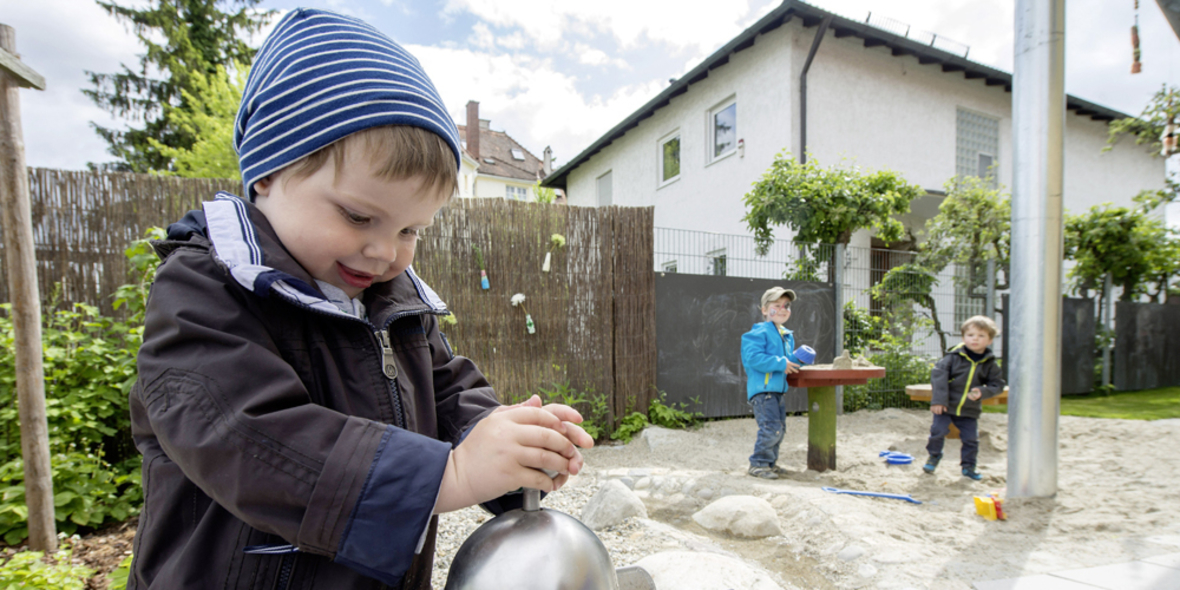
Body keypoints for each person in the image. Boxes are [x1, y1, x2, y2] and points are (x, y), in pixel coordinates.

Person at [128, 9, 592, 589]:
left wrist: (503, 443)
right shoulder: (205, 292)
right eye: (358, 216)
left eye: (410, 230)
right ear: (268, 174)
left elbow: (447, 390)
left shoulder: (392, 306)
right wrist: (446, 474)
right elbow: (248, 439)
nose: (383, 252)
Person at [923, 315, 1005, 481]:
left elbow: (997, 385)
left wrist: (983, 391)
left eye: (981, 336)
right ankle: (934, 456)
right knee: (938, 432)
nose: (975, 339)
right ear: (963, 337)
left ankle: (968, 467)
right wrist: (938, 400)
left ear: (990, 341)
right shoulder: (953, 357)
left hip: (969, 408)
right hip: (946, 406)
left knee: (971, 439)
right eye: (971, 335)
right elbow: (938, 377)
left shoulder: (990, 363)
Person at [740, 287, 803, 479]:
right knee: (771, 427)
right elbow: (753, 358)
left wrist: (797, 359)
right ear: (765, 310)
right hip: (763, 390)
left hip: (777, 390)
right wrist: (782, 363)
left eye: (787, 305)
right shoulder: (759, 332)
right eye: (777, 305)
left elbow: (784, 360)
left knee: (779, 428)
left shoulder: (785, 334)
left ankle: (769, 463)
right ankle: (758, 464)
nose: (783, 309)